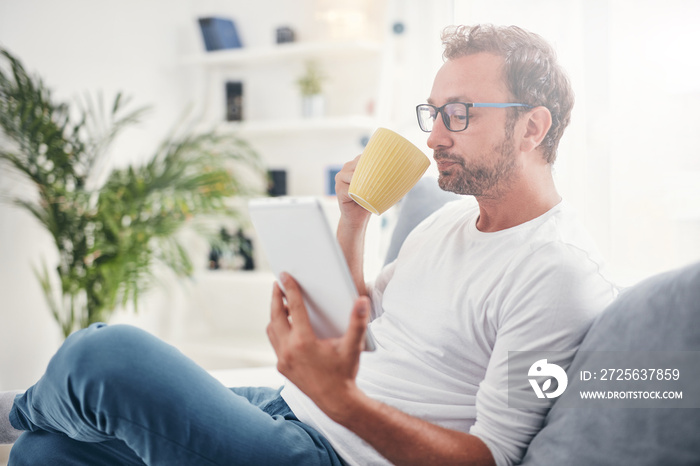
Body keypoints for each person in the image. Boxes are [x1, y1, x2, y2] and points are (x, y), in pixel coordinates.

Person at [1, 24, 617, 466]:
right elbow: (361, 326)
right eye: (433, 113)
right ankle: (30, 421)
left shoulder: (554, 271)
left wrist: (341, 400)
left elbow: (491, 458)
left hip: (333, 451)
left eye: (460, 114)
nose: (434, 138)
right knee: (47, 451)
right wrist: (353, 223)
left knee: (104, 360)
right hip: (289, 410)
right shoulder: (447, 225)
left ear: (531, 126)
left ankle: (14, 409)